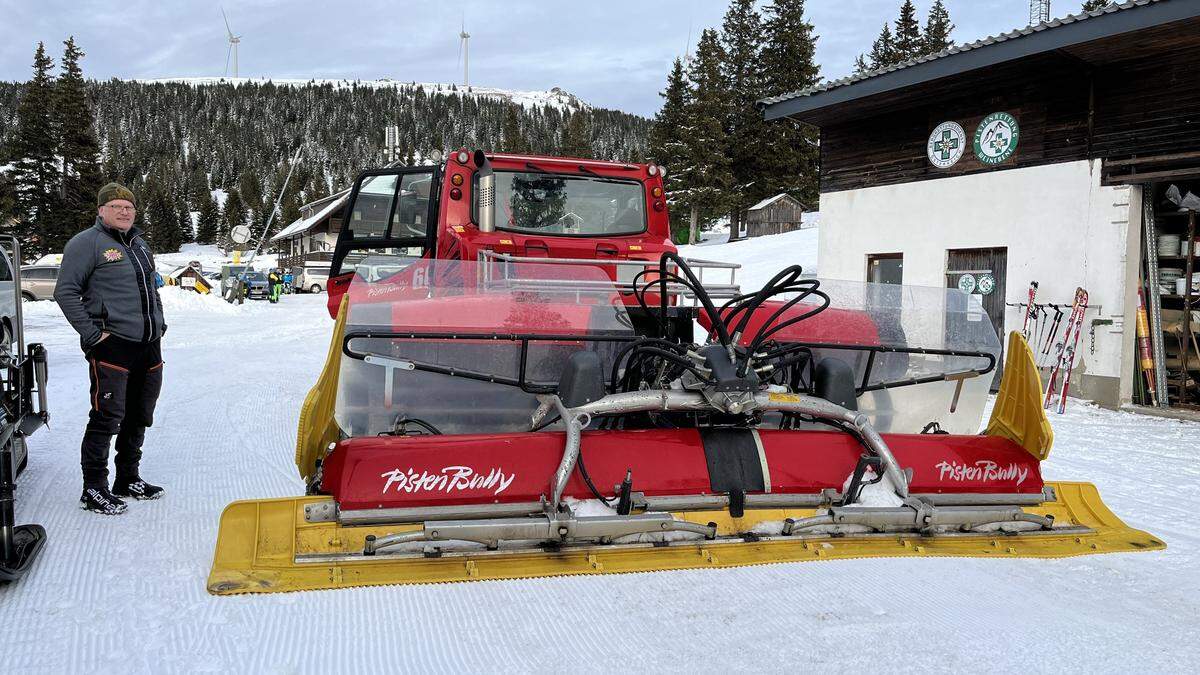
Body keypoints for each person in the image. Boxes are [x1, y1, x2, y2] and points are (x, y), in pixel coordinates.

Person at [54, 182, 167, 515]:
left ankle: (127, 478)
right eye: (116, 206)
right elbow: (66, 292)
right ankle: (94, 488)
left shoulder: (140, 245)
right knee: (107, 418)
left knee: (139, 415)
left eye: (129, 207)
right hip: (112, 347)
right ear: (101, 210)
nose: (123, 211)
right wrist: (92, 335)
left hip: (148, 345)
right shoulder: (86, 243)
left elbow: (152, 287)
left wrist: (159, 322)